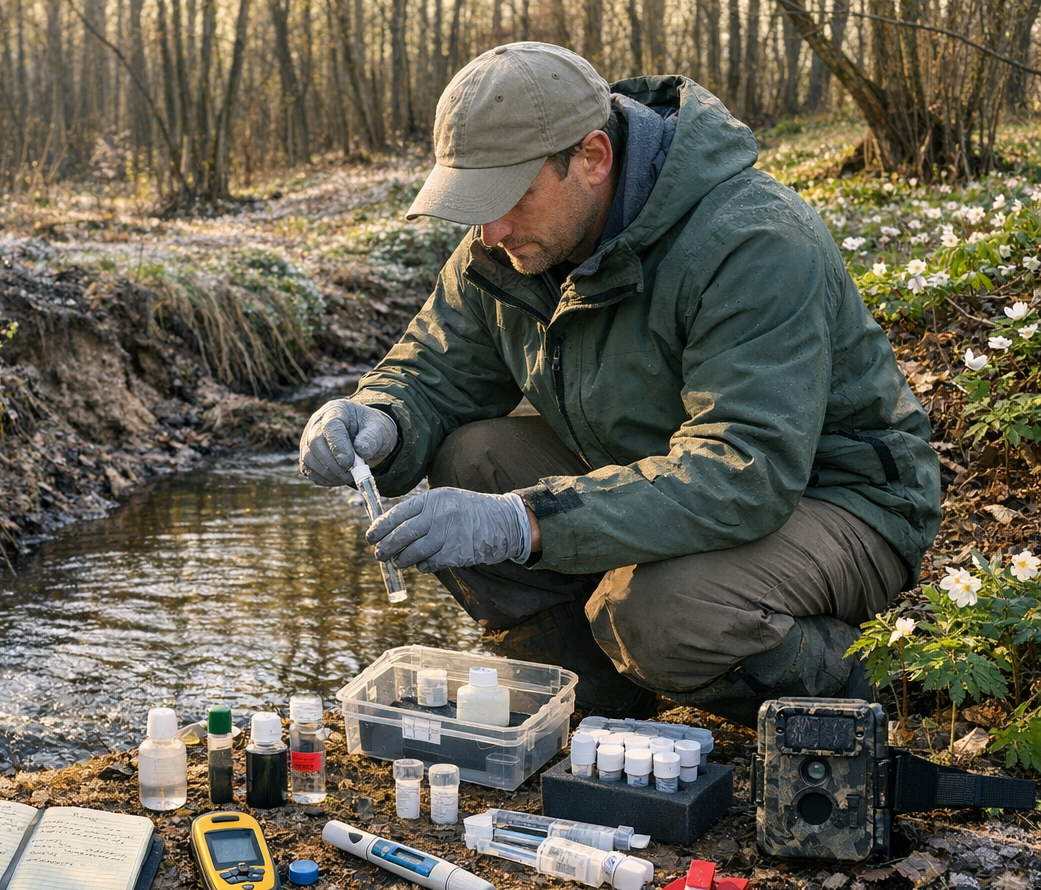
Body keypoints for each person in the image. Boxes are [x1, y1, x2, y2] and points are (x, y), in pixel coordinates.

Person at [298, 42, 941, 726]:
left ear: (594, 158)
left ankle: (882, 685)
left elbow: (742, 471)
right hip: (655, 469)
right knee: (473, 459)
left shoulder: (751, 238)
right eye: (474, 203)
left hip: (835, 499)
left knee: (658, 614)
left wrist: (524, 523)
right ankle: (595, 701)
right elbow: (433, 368)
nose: (490, 230)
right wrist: (379, 418)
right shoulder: (510, 242)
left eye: (510, 196)